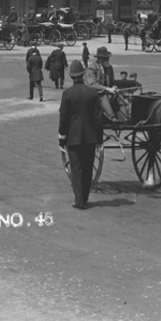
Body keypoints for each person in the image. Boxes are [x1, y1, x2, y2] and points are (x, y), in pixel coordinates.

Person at [59, 60, 104, 210]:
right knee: (88, 168)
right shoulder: (92, 93)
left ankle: (79, 201)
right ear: (83, 74)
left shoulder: (67, 94)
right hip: (90, 137)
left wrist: (62, 137)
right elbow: (98, 118)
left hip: (73, 138)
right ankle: (85, 198)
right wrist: (99, 139)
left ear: (72, 76)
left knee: (76, 169)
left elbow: (64, 118)